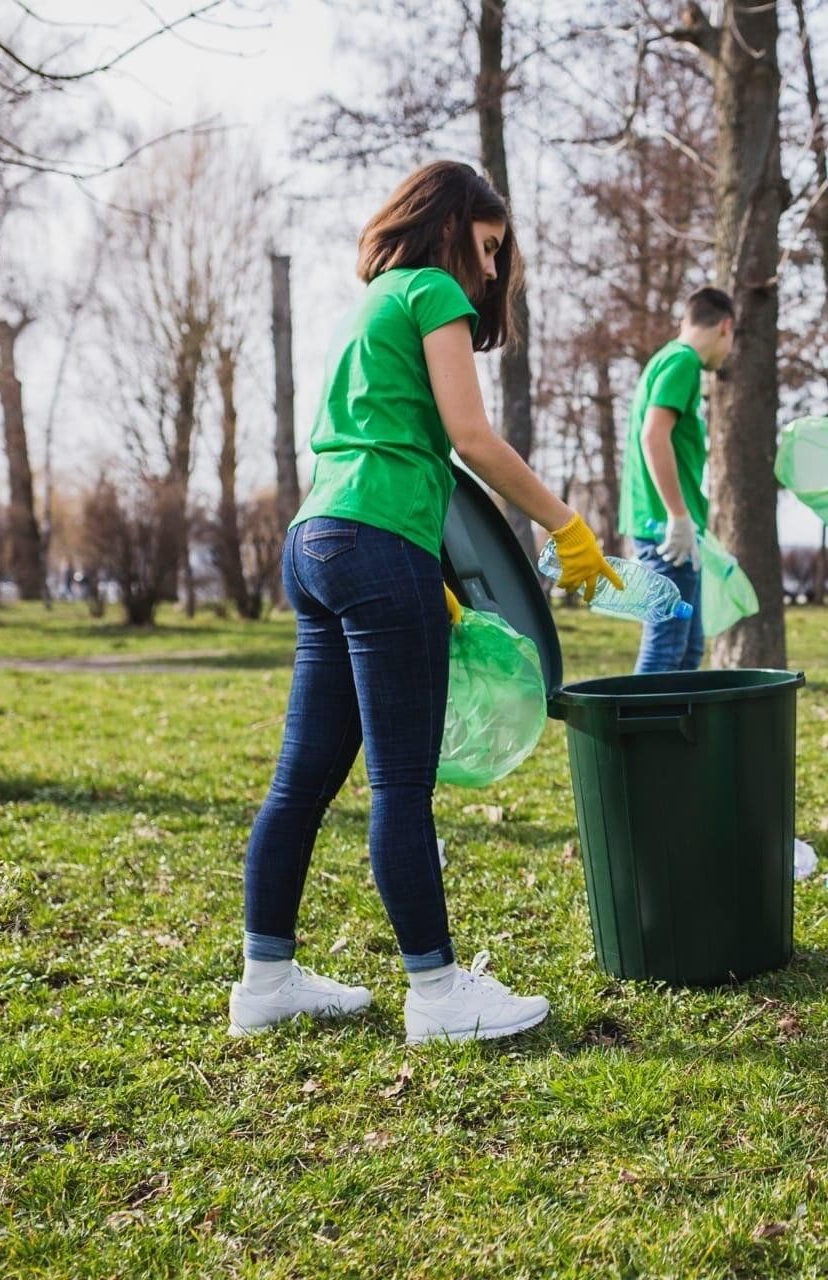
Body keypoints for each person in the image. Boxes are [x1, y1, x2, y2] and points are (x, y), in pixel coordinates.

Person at [230, 161, 622, 1044]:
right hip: (376, 545)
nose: (488, 274)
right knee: (400, 786)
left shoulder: (370, 303)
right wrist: (565, 525)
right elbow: (470, 438)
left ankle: (266, 979)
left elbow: (391, 444)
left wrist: (429, 580)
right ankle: (438, 995)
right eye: (486, 249)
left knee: (300, 783)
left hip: (318, 538)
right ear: (449, 227)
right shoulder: (433, 291)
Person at [617, 287, 736, 673]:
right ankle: (636, 734)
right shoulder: (683, 362)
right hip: (666, 530)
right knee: (667, 647)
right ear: (726, 327)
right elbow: (653, 436)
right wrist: (678, 516)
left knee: (686, 650)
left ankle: (674, 733)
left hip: (667, 526)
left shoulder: (667, 360)